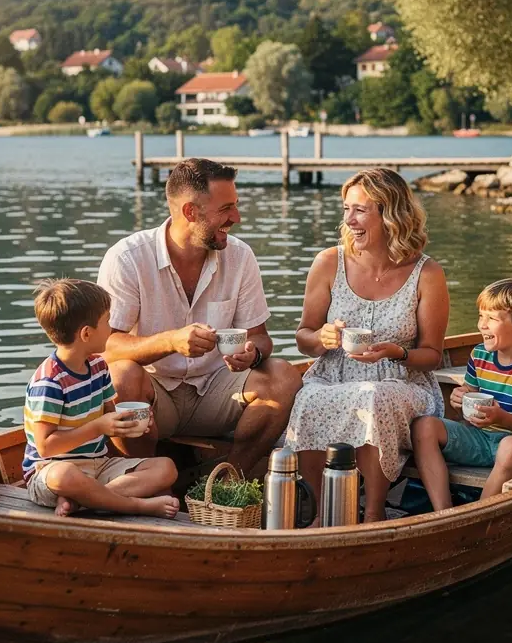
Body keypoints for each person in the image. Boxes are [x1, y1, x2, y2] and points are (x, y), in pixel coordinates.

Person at [98, 158, 301, 473]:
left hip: (217, 389)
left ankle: (229, 479)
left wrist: (253, 353)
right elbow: (107, 348)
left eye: (235, 206)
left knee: (284, 377)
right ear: (190, 212)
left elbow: (260, 336)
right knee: (120, 377)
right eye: (226, 209)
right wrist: (171, 342)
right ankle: (147, 479)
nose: (236, 217)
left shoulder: (241, 256)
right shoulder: (127, 259)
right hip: (155, 391)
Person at [288, 168, 449, 522]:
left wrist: (397, 352)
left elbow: (432, 356)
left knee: (374, 396)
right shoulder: (329, 262)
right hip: (334, 373)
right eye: (346, 209)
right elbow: (303, 336)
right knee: (308, 398)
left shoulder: (428, 273)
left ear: (390, 213)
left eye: (359, 210)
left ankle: (373, 514)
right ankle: (318, 512)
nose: (349, 220)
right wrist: (321, 338)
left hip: (402, 381)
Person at [22, 278, 179, 519]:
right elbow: (45, 446)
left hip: (98, 466)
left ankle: (84, 501)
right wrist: (97, 427)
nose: (111, 327)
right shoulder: (49, 381)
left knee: (166, 468)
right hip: (50, 470)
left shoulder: (98, 366)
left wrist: (128, 424)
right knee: (64, 476)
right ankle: (137, 505)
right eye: (107, 321)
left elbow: (109, 417)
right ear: (86, 333)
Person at [411, 278, 512, 508]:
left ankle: (476, 513)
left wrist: (503, 419)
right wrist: (460, 396)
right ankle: (444, 513)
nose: (482, 325)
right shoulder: (480, 354)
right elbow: (472, 391)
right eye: (481, 316)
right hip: (482, 439)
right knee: (423, 426)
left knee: (511, 447)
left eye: (492, 319)